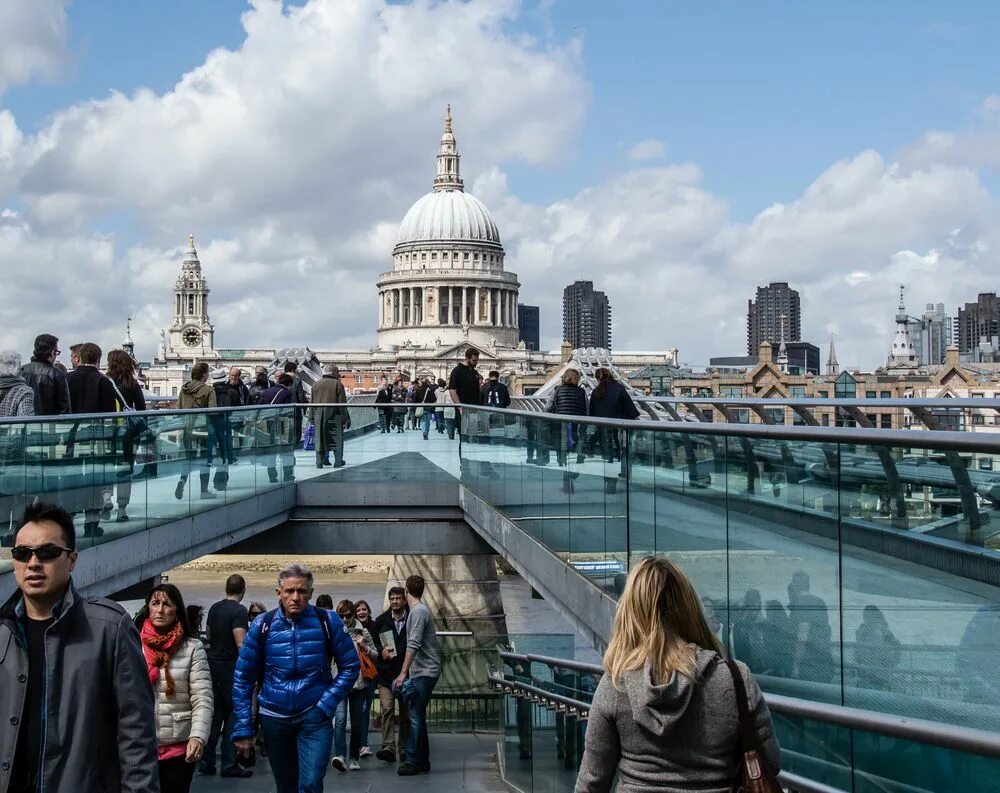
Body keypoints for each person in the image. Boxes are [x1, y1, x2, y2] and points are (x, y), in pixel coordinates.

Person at [575, 556, 780, 793]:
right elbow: (770, 762)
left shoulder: (616, 685)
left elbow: (591, 783)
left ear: (630, 614)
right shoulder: (735, 679)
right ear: (690, 608)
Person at [0, 502, 158, 792]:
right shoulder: (3, 631)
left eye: (47, 553)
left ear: (72, 560)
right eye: (22, 554)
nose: (33, 563)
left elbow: (137, 734)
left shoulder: (109, 628)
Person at [232, 562, 361, 793]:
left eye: (301, 591)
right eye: (289, 591)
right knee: (286, 786)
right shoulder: (263, 625)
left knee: (311, 783)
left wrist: (326, 704)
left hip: (314, 715)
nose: (295, 597)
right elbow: (243, 678)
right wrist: (243, 727)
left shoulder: (328, 621)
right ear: (278, 593)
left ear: (310, 593)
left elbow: (351, 666)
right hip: (274, 717)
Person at [135, 583, 214, 792]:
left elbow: (202, 697)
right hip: (138, 747)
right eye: (155, 603)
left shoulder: (192, 648)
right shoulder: (133, 644)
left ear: (176, 609)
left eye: (167, 604)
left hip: (178, 749)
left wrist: (198, 736)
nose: (160, 610)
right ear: (148, 608)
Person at [201, 574, 252, 779]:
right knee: (233, 714)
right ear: (243, 590)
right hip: (231, 668)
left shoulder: (214, 608)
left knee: (214, 716)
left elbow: (210, 635)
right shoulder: (239, 611)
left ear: (226, 588)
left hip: (213, 665)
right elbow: (241, 642)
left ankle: (207, 760)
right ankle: (230, 762)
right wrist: (250, 669)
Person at [66, 342, 119, 536]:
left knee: (74, 480)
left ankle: (69, 523)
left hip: (73, 437)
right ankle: (91, 524)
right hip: (97, 438)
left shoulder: (67, 378)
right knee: (94, 481)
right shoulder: (103, 381)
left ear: (79, 357)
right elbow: (110, 415)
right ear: (98, 359)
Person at [393, 574, 440, 776]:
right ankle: (422, 760)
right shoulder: (420, 610)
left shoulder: (418, 612)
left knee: (414, 715)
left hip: (424, 671)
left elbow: (414, 643)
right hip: (425, 670)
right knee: (418, 714)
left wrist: (403, 673)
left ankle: (412, 760)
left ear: (406, 590)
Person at [331, 600, 378, 772]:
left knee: (357, 723)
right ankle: (341, 756)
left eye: (348, 615)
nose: (344, 619)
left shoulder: (363, 632)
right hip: (340, 682)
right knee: (340, 720)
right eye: (340, 616)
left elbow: (375, 656)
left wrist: (364, 646)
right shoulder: (334, 632)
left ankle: (353, 757)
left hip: (359, 683)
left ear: (353, 615)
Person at [107, 348, 148, 522]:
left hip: (107, 433)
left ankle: (106, 499)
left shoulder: (104, 382)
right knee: (125, 471)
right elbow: (142, 410)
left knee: (106, 468)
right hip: (129, 434)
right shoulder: (132, 384)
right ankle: (122, 509)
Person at [0, 351, 35, 538]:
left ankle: (2, 533)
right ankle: (17, 534)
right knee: (19, 496)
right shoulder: (24, 391)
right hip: (15, 452)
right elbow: (27, 421)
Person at [372, 586, 409, 764]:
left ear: (404, 600)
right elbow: (373, 644)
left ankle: (404, 748)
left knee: (405, 713)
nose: (394, 602)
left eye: (397, 598)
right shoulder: (381, 621)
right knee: (387, 710)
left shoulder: (412, 619)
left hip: (406, 674)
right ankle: (388, 747)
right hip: (385, 674)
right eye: (392, 598)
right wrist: (381, 652)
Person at [588, 367, 639, 493]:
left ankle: (609, 482)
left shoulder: (595, 392)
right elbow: (631, 411)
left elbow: (591, 412)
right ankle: (617, 479)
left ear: (597, 378)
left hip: (602, 429)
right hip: (618, 428)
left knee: (607, 456)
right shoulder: (619, 389)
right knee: (618, 454)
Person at [175, 361, 218, 501]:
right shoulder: (208, 390)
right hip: (204, 429)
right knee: (206, 460)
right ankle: (204, 491)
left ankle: (182, 480)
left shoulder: (183, 389)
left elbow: (179, 410)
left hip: (187, 428)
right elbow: (213, 412)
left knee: (188, 458)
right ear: (204, 374)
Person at [787, 571, 834, 683]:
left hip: (810, 664)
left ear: (794, 587)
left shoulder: (801, 605)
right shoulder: (819, 602)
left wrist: (795, 666)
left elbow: (802, 638)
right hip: (825, 661)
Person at [546, 368, 589, 493]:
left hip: (560, 425)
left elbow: (548, 407)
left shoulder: (557, 390)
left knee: (562, 450)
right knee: (574, 449)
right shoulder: (582, 392)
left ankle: (565, 479)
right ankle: (573, 471)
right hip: (576, 425)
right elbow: (586, 410)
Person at [310, 364, 350, 469]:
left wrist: (311, 417)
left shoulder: (316, 384)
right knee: (336, 438)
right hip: (334, 415)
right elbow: (342, 404)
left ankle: (319, 462)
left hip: (318, 416)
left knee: (320, 440)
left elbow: (311, 402)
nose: (339, 374)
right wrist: (345, 418)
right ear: (333, 373)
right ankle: (338, 461)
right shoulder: (337, 384)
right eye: (337, 372)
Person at [19, 333, 71, 415]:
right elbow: (64, 409)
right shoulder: (57, 375)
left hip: (24, 422)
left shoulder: (21, 371)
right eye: (57, 352)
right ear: (53, 352)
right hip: (49, 424)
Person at [852, 605, 901, 690]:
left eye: (867, 615)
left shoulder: (865, 630)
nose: (865, 617)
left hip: (870, 672)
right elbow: (894, 650)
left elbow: (859, 653)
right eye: (865, 615)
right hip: (876, 673)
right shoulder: (880, 630)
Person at [259, 373, 296, 483]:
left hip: (267, 425)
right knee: (286, 451)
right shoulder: (286, 393)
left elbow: (259, 408)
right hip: (281, 425)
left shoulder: (266, 392)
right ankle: (287, 475)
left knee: (271, 452)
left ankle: (272, 476)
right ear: (289, 384)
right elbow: (288, 412)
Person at [353, 600, 377, 759]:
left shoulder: (374, 628)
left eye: (364, 609)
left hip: (370, 673)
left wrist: (365, 647)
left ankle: (363, 744)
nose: (361, 612)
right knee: (358, 710)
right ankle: (359, 744)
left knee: (365, 709)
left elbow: (376, 652)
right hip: (356, 675)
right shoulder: (351, 630)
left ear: (368, 611)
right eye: (358, 610)